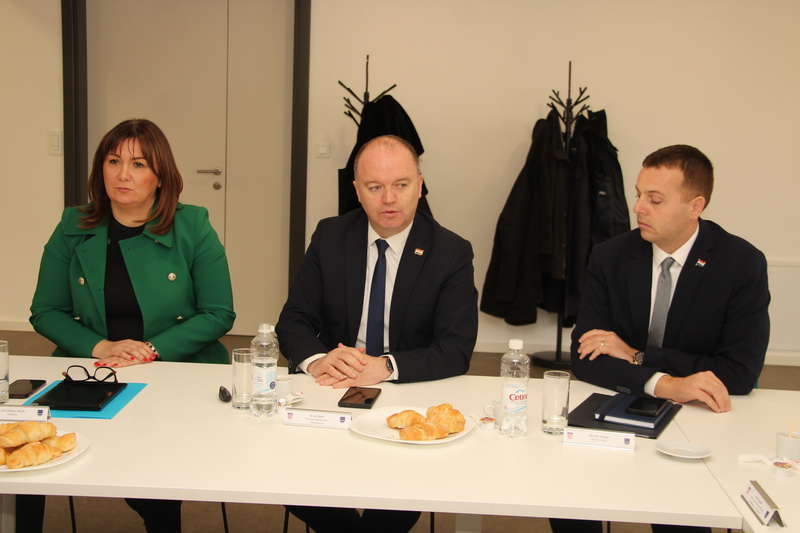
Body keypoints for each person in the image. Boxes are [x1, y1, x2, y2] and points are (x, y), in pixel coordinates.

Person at [27, 118, 235, 533]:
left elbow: (219, 312)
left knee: (155, 467)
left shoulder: (192, 224)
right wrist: (101, 347)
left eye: (138, 164)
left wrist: (151, 350)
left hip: (175, 367)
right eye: (113, 161)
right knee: (30, 448)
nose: (123, 174)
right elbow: (45, 310)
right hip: (95, 367)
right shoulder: (73, 225)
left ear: (161, 176)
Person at [555, 144, 770, 533]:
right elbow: (585, 357)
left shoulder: (740, 263)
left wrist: (635, 355)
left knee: (679, 511)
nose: (638, 208)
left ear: (695, 206)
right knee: (568, 497)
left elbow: (738, 373)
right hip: (619, 402)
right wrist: (668, 383)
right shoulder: (610, 256)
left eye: (655, 200)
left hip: (700, 418)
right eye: (638, 194)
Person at [276, 134, 478, 532]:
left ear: (420, 186)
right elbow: (294, 320)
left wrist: (384, 366)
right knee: (288, 474)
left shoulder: (451, 252)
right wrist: (318, 361)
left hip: (408, 394)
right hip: (332, 388)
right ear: (357, 191)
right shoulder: (330, 236)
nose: (389, 199)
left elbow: (455, 350)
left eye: (401, 185)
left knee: (400, 491)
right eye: (375, 187)